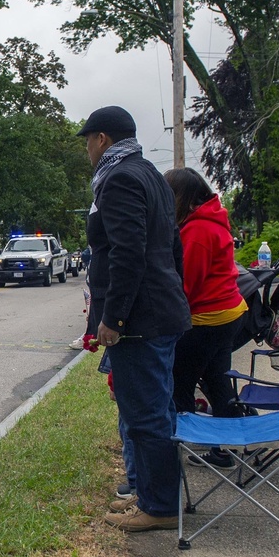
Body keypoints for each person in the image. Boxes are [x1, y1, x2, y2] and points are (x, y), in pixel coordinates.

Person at [79, 106, 191, 532]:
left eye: (88, 140)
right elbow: (172, 246)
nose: (87, 149)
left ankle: (160, 507)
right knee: (154, 409)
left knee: (145, 417)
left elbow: (128, 255)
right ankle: (150, 495)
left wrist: (114, 319)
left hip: (140, 319)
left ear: (102, 139)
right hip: (160, 310)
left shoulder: (119, 178)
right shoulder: (151, 175)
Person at [164, 167, 248, 468]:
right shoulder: (211, 219)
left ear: (183, 199)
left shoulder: (198, 231)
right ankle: (225, 448)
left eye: (167, 196)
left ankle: (188, 442)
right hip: (228, 312)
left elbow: (187, 285)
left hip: (209, 318)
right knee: (216, 378)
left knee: (179, 381)